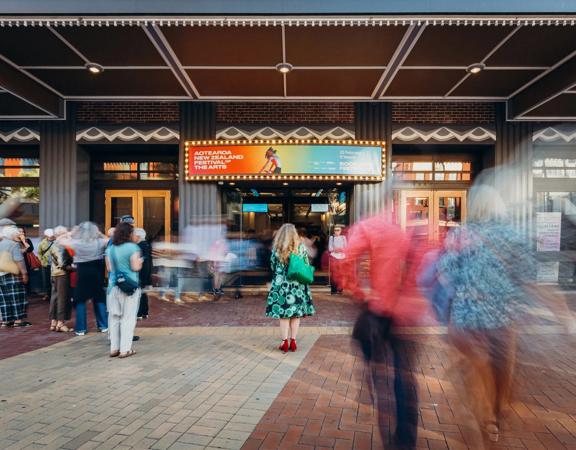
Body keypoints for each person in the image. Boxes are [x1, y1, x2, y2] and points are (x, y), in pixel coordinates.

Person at [436, 184, 575, 448]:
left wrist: (469, 289)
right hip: (502, 320)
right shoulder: (513, 235)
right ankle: (496, 418)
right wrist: (563, 314)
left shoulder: (460, 236)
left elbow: (446, 277)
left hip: (467, 321)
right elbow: (530, 277)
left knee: (473, 378)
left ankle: (480, 420)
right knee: (502, 380)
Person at [339, 213, 420, 450]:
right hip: (403, 313)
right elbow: (416, 267)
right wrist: (407, 295)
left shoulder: (366, 227)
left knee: (378, 372)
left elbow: (345, 260)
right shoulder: (402, 233)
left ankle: (383, 417)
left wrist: (358, 291)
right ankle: (405, 439)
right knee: (404, 376)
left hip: (376, 311)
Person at [265, 223, 315, 353]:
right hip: (297, 286)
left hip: (281, 286)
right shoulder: (301, 248)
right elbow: (305, 265)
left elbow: (272, 266)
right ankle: (293, 341)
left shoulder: (277, 249)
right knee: (295, 315)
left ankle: (284, 342)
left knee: (284, 315)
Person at [105, 222, 142, 358]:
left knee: (114, 318)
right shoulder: (133, 247)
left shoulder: (111, 248)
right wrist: (141, 262)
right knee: (128, 318)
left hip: (113, 287)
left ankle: (114, 348)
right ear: (129, 234)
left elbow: (109, 268)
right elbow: (135, 267)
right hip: (129, 287)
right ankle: (125, 349)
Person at [68, 222, 108, 336]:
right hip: (96, 271)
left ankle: (81, 329)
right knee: (99, 298)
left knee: (80, 300)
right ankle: (103, 325)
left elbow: (59, 241)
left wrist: (72, 233)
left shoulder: (76, 243)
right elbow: (110, 240)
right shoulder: (99, 242)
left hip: (82, 272)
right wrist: (100, 233)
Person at [0, 225, 31, 327]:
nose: (17, 235)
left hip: (1, 274)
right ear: (11, 234)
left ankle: (6, 320)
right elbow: (19, 260)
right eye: (16, 233)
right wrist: (24, 273)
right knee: (16, 296)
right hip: (12, 274)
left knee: (4, 299)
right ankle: (18, 321)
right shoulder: (13, 244)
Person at [48, 226, 73, 332]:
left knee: (55, 298)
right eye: (66, 233)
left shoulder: (53, 244)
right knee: (63, 298)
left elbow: (51, 261)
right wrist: (74, 268)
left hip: (54, 273)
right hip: (62, 274)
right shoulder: (61, 245)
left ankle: (53, 322)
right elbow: (62, 263)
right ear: (62, 234)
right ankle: (60, 323)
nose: (68, 234)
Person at [133, 227, 151, 319]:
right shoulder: (146, 245)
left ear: (138, 236)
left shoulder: (139, 246)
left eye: (134, 235)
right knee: (143, 293)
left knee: (139, 293)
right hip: (145, 272)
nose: (132, 237)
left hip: (140, 272)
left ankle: (139, 313)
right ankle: (144, 312)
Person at [38, 228, 55, 301]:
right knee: (46, 281)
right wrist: (41, 261)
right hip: (46, 264)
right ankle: (48, 294)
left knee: (55, 281)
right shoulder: (42, 243)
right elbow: (39, 253)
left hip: (56, 265)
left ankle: (55, 295)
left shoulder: (57, 242)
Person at [328, 225, 347, 294]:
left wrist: (340, 249)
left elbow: (346, 247)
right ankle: (333, 290)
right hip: (334, 257)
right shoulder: (331, 238)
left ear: (341, 231)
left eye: (338, 230)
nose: (336, 231)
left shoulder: (343, 237)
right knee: (333, 274)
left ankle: (340, 289)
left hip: (342, 257)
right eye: (335, 230)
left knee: (341, 273)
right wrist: (335, 250)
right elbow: (330, 248)